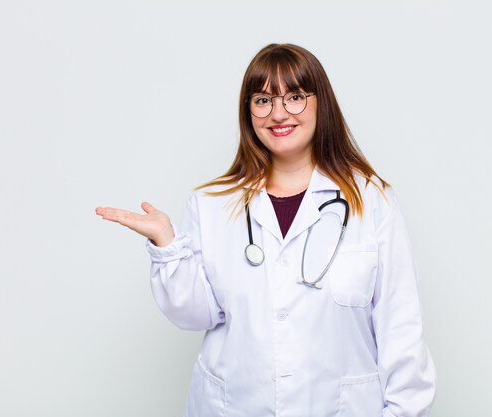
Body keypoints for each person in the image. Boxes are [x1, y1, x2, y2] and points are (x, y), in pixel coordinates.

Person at [95, 43, 436, 417]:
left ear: (321, 103)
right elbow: (195, 314)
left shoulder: (371, 202)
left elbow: (400, 329)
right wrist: (167, 243)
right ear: (248, 112)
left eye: (294, 97)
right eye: (262, 100)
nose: (278, 113)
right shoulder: (211, 204)